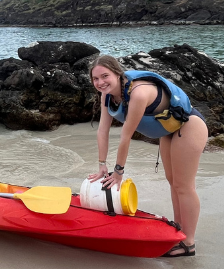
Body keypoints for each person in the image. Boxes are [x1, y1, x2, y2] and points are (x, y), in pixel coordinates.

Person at [88, 55, 208, 257]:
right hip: (168, 131)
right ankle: (179, 230)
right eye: (95, 79)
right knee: (173, 183)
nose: (100, 82)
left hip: (188, 126)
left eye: (105, 76)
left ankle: (188, 243)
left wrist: (118, 172)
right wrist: (102, 164)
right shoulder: (106, 96)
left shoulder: (138, 93)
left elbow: (126, 136)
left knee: (184, 186)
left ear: (117, 73)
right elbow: (102, 130)